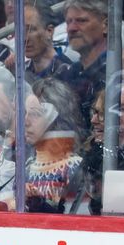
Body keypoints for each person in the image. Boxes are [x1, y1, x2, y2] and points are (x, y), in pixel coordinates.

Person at [23, 77, 86, 213]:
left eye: (35, 114)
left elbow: (73, 217)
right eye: (24, 113)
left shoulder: (74, 167)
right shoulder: (28, 164)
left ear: (57, 117)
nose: (25, 121)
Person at [57, 0, 108, 128]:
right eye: (69, 22)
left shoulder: (115, 71)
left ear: (105, 25)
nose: (71, 28)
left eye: (81, 21)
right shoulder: (68, 73)